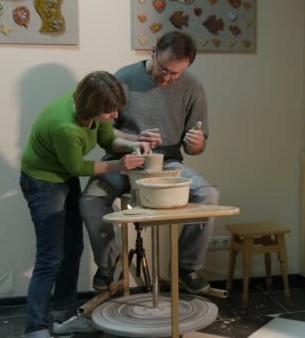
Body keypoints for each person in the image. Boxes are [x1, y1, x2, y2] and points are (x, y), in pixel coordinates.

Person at [80, 31, 219, 295]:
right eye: (164, 70)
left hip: (166, 163)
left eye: (175, 74)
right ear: (153, 51)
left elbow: (197, 147)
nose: (167, 79)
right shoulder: (123, 78)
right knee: (89, 200)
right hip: (122, 159)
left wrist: (196, 140)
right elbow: (104, 132)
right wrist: (133, 139)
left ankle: (186, 267)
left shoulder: (193, 87)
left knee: (208, 193)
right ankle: (109, 263)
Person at [20, 71, 150, 338]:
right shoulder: (64, 126)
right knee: (50, 258)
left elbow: (107, 139)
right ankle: (35, 328)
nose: (115, 117)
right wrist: (119, 165)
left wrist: (136, 141)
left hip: (62, 178)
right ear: (93, 107)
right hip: (42, 182)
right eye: (110, 112)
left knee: (73, 248)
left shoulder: (91, 107)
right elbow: (78, 166)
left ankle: (63, 317)